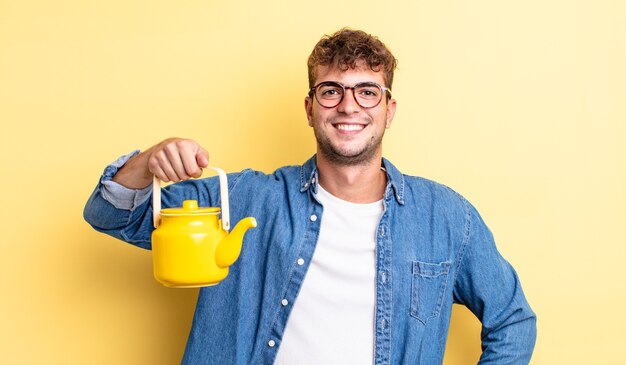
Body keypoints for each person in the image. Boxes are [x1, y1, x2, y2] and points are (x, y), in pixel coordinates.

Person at [84, 28, 536, 364]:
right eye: (331, 91)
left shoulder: (445, 217)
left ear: (389, 110)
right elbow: (110, 213)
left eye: (367, 92)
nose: (348, 106)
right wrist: (149, 161)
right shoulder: (244, 199)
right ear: (309, 107)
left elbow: (512, 320)